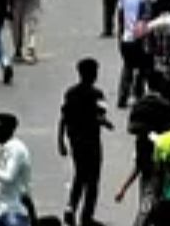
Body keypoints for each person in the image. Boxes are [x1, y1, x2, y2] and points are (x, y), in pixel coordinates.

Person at [58, 58, 111, 226]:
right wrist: (105, 123)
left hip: (76, 142)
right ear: (94, 74)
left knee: (79, 176)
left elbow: (63, 118)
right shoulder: (97, 94)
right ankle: (86, 216)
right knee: (93, 181)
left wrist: (60, 141)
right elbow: (101, 116)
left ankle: (70, 208)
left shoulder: (70, 93)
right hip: (92, 142)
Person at [0, 111, 32, 226]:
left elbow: (9, 176)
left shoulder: (15, 150)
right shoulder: (7, 149)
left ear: (4, 129)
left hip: (13, 210)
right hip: (0, 209)